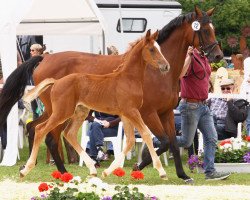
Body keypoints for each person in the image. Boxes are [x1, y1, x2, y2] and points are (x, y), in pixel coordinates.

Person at [177, 46, 230, 180]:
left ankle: (210, 172)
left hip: (204, 106)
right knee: (186, 141)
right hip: (190, 105)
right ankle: (158, 141)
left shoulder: (204, 57)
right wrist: (188, 56)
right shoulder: (189, 56)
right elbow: (180, 74)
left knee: (211, 138)